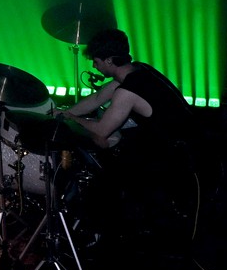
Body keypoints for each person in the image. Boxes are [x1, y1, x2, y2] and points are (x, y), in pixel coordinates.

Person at [61, 28, 198, 241]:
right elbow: (98, 98)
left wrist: (72, 120)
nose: (94, 66)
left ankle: (108, 234)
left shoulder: (128, 91)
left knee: (107, 175)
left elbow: (102, 131)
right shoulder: (137, 69)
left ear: (109, 60)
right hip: (174, 145)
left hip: (180, 157)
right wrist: (65, 112)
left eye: (96, 61)